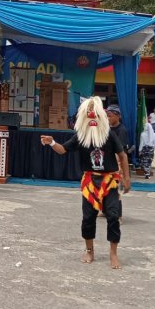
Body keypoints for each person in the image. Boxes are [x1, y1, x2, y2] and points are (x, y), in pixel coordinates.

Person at [40, 96, 130, 269]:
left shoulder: (109, 135)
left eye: (94, 113)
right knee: (88, 218)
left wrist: (126, 178)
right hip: (90, 182)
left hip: (109, 181)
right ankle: (89, 250)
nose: (92, 117)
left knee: (113, 216)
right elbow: (63, 150)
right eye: (89, 114)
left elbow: (122, 156)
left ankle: (113, 253)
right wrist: (52, 142)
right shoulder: (81, 136)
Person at [106, 104, 131, 221]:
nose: (108, 118)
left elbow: (120, 152)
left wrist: (119, 168)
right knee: (105, 188)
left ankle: (118, 216)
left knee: (116, 191)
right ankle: (105, 211)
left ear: (117, 116)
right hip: (108, 162)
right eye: (107, 116)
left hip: (118, 163)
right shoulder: (107, 128)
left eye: (110, 116)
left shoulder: (121, 130)